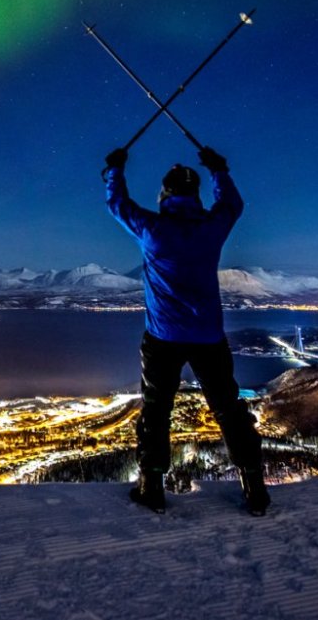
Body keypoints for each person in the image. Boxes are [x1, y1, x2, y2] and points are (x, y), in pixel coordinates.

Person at [103, 145, 270, 516]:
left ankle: (151, 487)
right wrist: (218, 170)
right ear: (194, 194)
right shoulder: (211, 229)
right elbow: (232, 206)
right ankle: (255, 487)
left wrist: (115, 169)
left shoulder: (153, 229)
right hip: (209, 337)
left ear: (165, 194)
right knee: (228, 409)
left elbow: (117, 204)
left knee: (157, 410)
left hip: (163, 338)